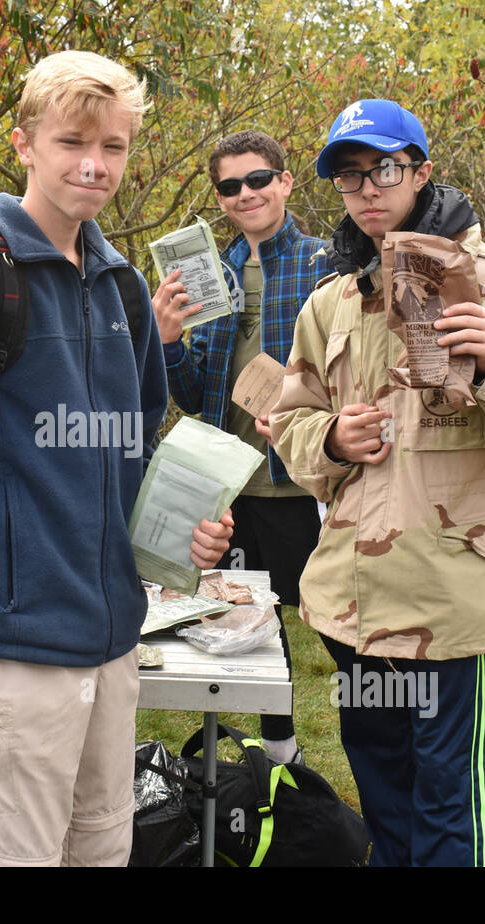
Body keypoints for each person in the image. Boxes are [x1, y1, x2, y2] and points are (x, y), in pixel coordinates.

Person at [0, 50, 234, 867]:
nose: (95, 164)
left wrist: (186, 537)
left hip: (112, 649)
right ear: (24, 141)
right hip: (11, 652)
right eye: (73, 141)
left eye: (114, 146)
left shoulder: (123, 288)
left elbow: (135, 460)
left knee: (99, 854)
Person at [269, 99, 485, 866]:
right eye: (350, 176)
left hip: (452, 597)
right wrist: (331, 437)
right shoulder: (331, 300)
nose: (367, 189)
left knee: (447, 800)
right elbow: (290, 428)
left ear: (423, 172)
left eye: (385, 168)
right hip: (354, 601)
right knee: (383, 788)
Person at [153, 130, 331, 765]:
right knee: (254, 625)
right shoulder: (208, 274)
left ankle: (389, 739)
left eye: (258, 179)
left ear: (285, 182)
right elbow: (198, 393)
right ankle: (281, 756)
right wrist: (168, 340)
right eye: (229, 186)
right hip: (232, 484)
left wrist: (310, 410)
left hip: (306, 480)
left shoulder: (325, 263)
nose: (245, 194)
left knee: (338, 621)